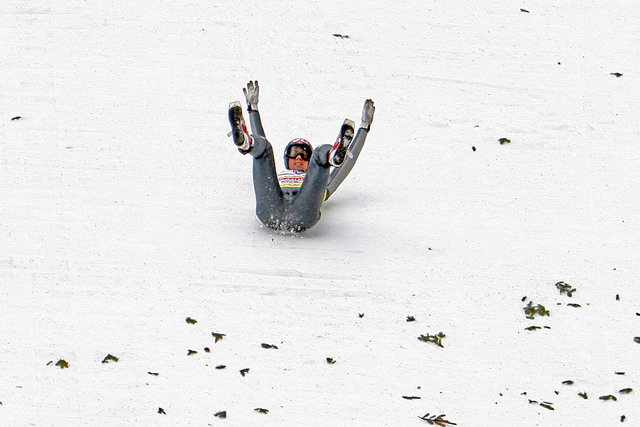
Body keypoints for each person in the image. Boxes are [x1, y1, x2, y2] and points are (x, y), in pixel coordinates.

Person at [228, 80, 374, 232]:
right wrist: (253, 109)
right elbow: (262, 144)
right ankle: (246, 142)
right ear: (287, 159)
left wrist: (364, 128)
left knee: (319, 152)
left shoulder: (320, 179)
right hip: (271, 208)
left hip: (303, 214)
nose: (299, 157)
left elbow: (345, 166)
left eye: (305, 155)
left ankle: (331, 156)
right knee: (264, 148)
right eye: (294, 153)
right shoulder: (278, 176)